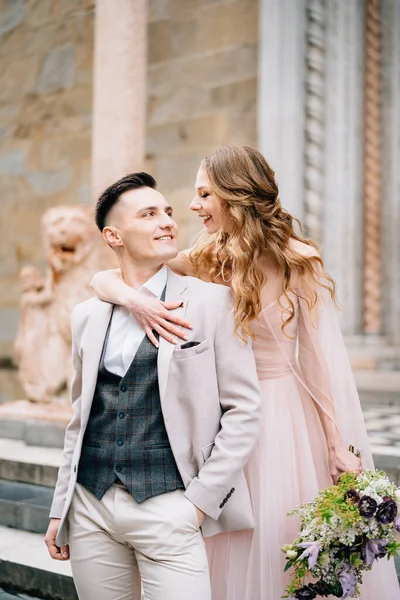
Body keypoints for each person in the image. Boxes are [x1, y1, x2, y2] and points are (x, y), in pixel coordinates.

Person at [91, 146, 400, 599]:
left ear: (236, 197)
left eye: (204, 194)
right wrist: (136, 301)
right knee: (226, 542)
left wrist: (336, 444)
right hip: (223, 419)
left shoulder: (297, 259)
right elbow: (103, 279)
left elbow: (314, 361)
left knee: (283, 539)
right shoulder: (205, 256)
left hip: (287, 422)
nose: (193, 206)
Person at [44, 172, 262, 600]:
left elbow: (244, 409)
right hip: (91, 504)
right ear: (113, 235)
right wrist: (61, 507)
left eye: (168, 212)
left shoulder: (212, 301)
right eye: (149, 214)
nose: (167, 222)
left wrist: (198, 504)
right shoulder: (86, 315)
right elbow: (79, 418)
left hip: (171, 506)